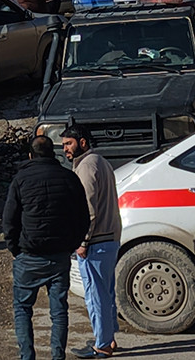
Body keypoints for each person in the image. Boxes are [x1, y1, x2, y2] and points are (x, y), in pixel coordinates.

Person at [4, 136, 90, 360]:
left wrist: (16, 250)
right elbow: (83, 218)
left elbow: (9, 220)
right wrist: (71, 245)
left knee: (23, 309)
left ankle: (27, 357)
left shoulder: (20, 180)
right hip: (59, 255)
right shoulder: (69, 178)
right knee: (59, 311)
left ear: (30, 155)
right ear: (53, 154)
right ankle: (57, 356)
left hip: (29, 255)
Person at [62, 126, 120, 360]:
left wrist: (83, 240)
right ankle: (107, 338)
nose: (65, 148)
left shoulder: (86, 167)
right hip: (109, 239)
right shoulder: (101, 162)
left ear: (82, 142)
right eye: (64, 144)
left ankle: (102, 345)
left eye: (69, 143)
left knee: (95, 295)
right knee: (105, 293)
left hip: (97, 241)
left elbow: (88, 208)